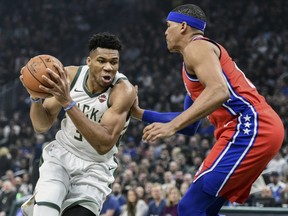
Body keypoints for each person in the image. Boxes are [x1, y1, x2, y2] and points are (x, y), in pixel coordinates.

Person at [131, 4, 285, 215]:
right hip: (249, 129)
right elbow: (190, 125)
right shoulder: (195, 66)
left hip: (250, 125)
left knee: (188, 207)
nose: (165, 32)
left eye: (169, 26)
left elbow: (220, 91)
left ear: (183, 26)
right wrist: (140, 114)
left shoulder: (197, 47)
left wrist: (171, 127)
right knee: (203, 209)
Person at [19, 32, 136, 216]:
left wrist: (69, 104)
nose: (108, 67)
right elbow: (41, 126)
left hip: (95, 167)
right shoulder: (70, 76)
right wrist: (35, 98)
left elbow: (103, 145)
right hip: (62, 155)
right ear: (89, 62)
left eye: (114, 62)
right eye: (101, 61)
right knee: (46, 210)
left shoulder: (123, 91)